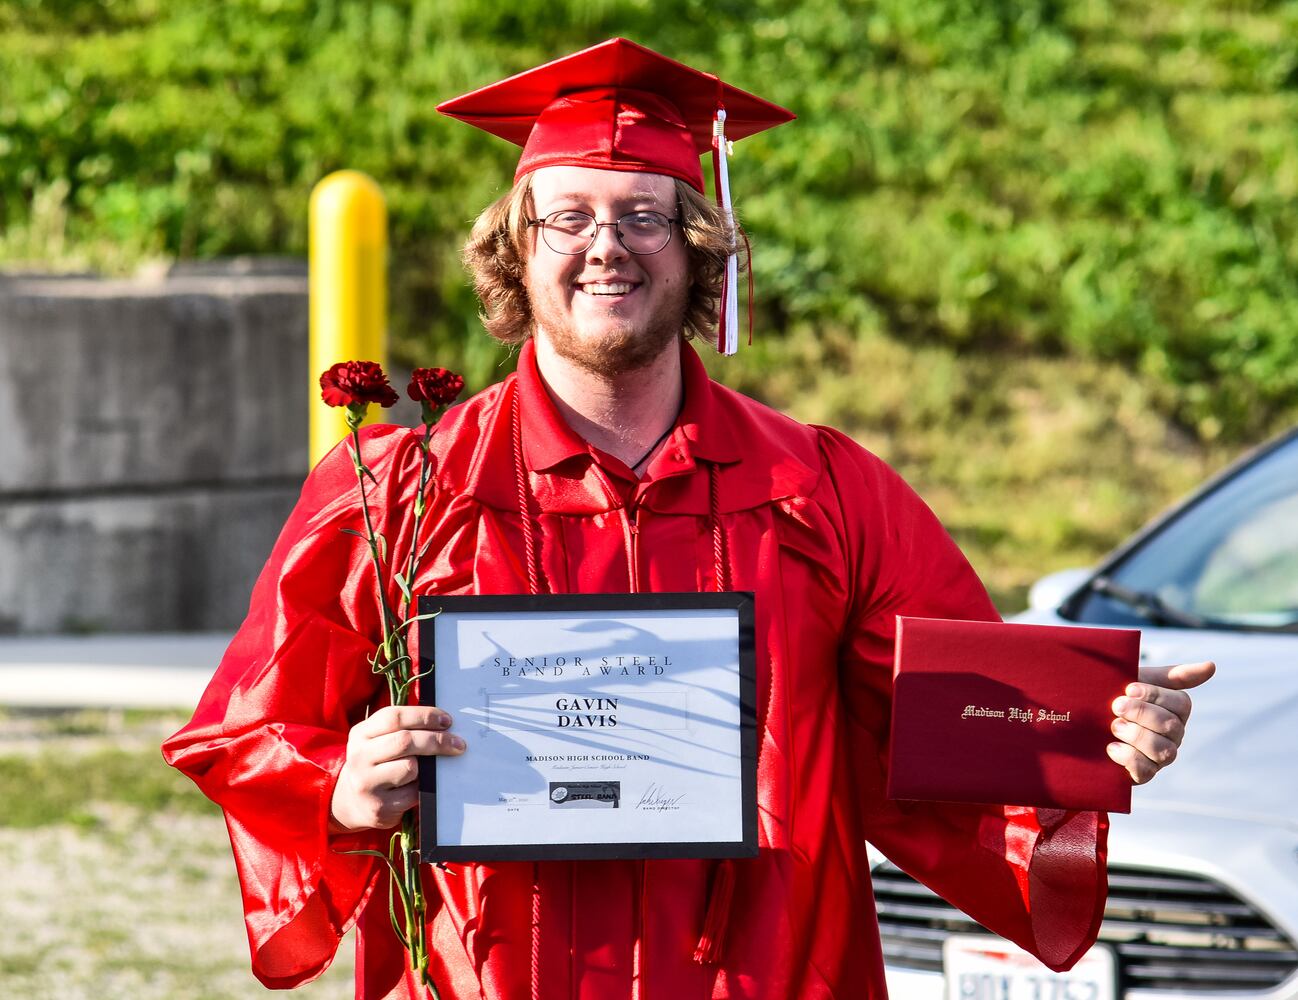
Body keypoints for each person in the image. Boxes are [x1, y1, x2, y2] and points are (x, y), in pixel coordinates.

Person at [163, 37, 1214, 1000]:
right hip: (492, 977)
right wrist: (344, 785)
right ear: (513, 255)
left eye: (644, 216)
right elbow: (249, 730)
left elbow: (946, 721)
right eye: (566, 216)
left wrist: (1087, 730)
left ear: (699, 248)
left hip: (766, 976)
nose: (605, 245)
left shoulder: (822, 491)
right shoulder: (398, 491)